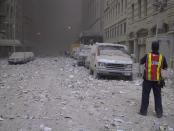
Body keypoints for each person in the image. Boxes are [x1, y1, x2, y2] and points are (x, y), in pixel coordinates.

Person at [139, 41, 168, 118]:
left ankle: (143, 112)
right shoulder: (162, 57)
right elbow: (165, 67)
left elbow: (141, 62)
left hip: (147, 80)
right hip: (157, 81)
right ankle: (159, 113)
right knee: (158, 96)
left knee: (145, 95)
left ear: (151, 47)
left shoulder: (147, 56)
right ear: (158, 48)